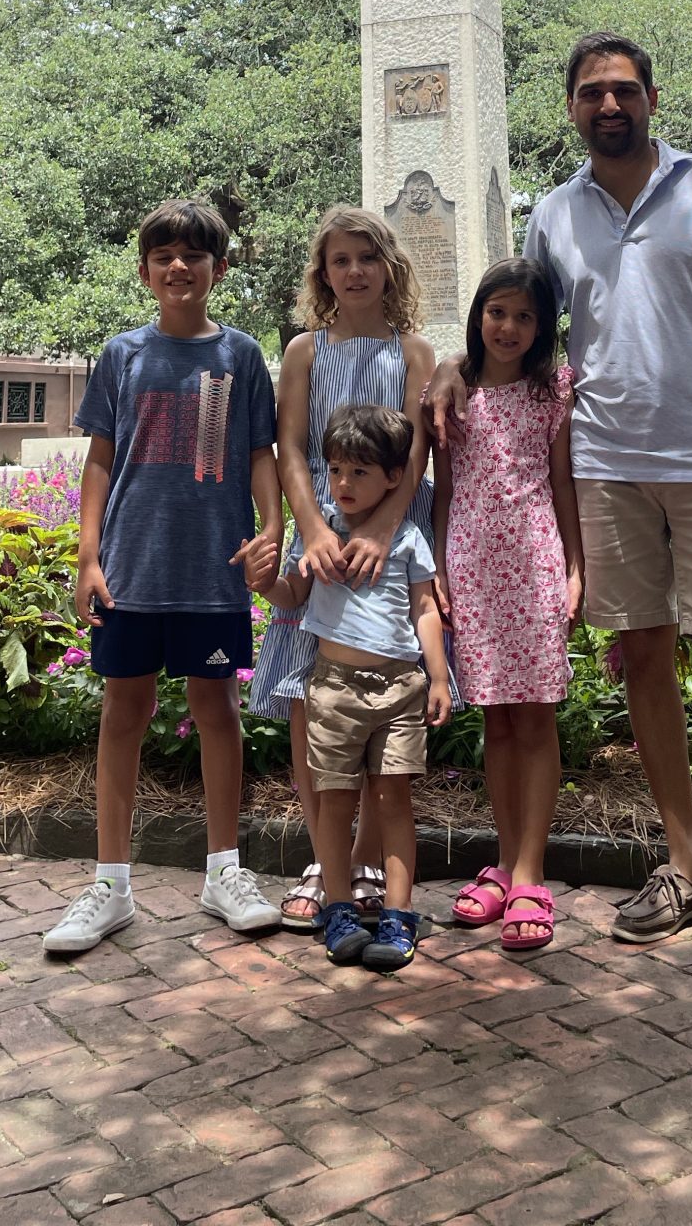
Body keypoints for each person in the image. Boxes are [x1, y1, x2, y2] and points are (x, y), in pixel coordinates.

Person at [429, 32, 692, 961]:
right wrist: (450, 367)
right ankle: (688, 862)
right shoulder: (554, 216)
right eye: (592, 92)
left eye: (625, 90)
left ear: (651, 99)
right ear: (571, 108)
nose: (609, 104)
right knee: (642, 656)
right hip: (602, 463)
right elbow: (519, 328)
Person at [43, 198, 284, 955]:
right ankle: (110, 884)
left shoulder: (241, 356)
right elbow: (100, 460)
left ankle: (224, 871)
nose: (179, 266)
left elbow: (260, 454)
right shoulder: (122, 355)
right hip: (132, 569)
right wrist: (88, 556)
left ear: (220, 268)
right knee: (124, 712)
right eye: (164, 256)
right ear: (146, 271)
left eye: (194, 255)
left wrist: (272, 529)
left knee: (218, 709)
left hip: (213, 568)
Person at [247, 207, 436, 931]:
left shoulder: (414, 352)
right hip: (323, 536)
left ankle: (362, 861)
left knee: (385, 693)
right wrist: (314, 530)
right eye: (340, 260)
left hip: (391, 532)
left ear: (390, 265)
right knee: (311, 697)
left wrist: (385, 528)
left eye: (367, 257)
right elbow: (290, 448)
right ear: (323, 274)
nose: (354, 271)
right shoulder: (304, 350)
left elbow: (417, 451)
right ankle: (322, 865)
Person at [250, 404, 450, 971]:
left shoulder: (406, 539)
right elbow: (292, 595)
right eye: (336, 470)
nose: (343, 483)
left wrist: (438, 677)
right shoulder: (319, 536)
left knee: (394, 802)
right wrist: (264, 583)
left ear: (394, 477)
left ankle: (399, 913)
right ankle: (339, 910)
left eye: (360, 472)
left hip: (399, 690)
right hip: (332, 691)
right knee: (334, 802)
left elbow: (425, 609)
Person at [434, 258, 583, 951]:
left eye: (525, 316)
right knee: (496, 720)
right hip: (472, 568)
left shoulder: (552, 391)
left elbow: (563, 483)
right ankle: (502, 860)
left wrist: (575, 568)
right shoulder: (452, 392)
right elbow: (442, 489)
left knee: (536, 718)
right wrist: (439, 568)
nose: (509, 327)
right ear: (478, 315)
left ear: (542, 326)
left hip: (535, 566)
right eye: (497, 312)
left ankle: (531, 871)